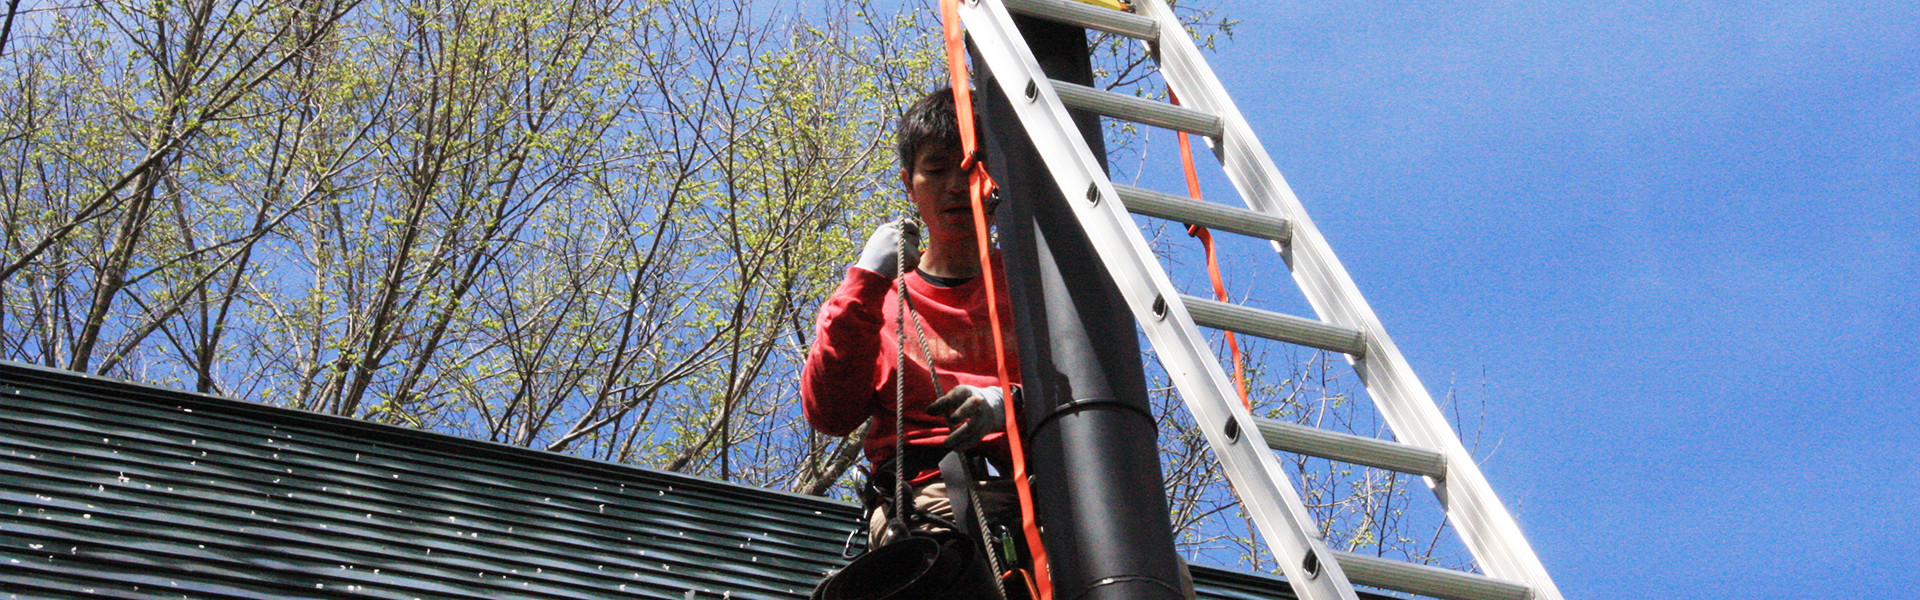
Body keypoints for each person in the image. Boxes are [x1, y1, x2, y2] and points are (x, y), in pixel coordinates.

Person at [801, 86, 1020, 547]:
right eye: (936, 170)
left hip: (1057, 487)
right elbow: (830, 411)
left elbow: (1089, 383)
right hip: (932, 500)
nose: (956, 186)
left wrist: (1008, 403)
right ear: (908, 184)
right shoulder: (876, 304)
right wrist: (862, 283)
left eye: (971, 168)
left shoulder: (1036, 287)